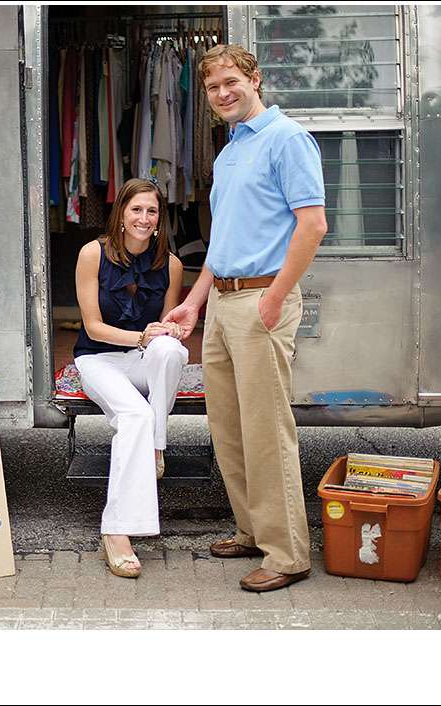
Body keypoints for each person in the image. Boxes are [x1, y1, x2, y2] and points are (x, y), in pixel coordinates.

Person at [163, 44, 327, 592]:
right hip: (223, 303)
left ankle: (287, 555)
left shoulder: (287, 139)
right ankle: (251, 530)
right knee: (229, 429)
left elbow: (313, 225)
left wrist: (277, 297)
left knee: (265, 430)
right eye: (212, 88)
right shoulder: (230, 151)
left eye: (231, 81)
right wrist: (194, 301)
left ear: (255, 79)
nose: (223, 93)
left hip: (261, 301)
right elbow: (224, 240)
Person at [73, 178, 188, 578]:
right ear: (122, 213)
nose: (143, 218)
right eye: (136, 209)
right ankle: (117, 532)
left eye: (152, 211)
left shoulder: (171, 264)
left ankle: (157, 445)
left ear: (160, 219)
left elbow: (164, 329)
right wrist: (140, 336)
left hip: (142, 358)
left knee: (172, 349)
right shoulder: (93, 254)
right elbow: (92, 326)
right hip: (99, 359)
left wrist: (166, 332)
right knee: (134, 417)